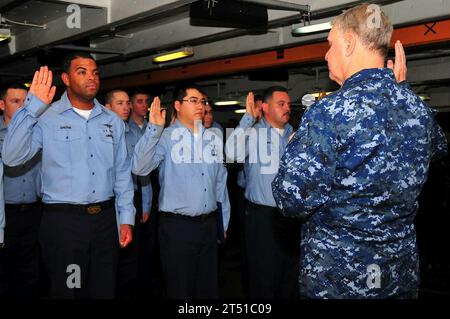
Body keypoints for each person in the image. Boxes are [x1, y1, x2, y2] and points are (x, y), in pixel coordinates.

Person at [272, 3, 448, 299]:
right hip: (397, 275)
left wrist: (293, 151)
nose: (326, 55)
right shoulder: (417, 109)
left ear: (349, 43)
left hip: (340, 278)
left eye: (329, 45)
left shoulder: (328, 112)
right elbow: (439, 148)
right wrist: (402, 92)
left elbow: (291, 199)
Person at [1, 52, 135, 299]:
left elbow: (122, 173)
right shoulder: (45, 117)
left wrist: (126, 216)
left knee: (104, 290)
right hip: (64, 224)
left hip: (105, 221)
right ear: (66, 78)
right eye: (82, 72)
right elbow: (11, 157)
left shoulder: (112, 121)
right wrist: (31, 108)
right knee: (70, 291)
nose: (91, 78)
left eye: (95, 73)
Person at [132, 84, 230, 298]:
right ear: (177, 105)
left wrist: (223, 221)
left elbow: (220, 182)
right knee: (180, 290)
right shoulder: (166, 137)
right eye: (193, 101)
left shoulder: (212, 138)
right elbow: (139, 168)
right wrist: (153, 130)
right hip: (178, 228)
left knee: (208, 289)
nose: (200, 106)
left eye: (202, 102)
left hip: (209, 225)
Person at [225, 86, 300, 299]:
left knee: (289, 277)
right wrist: (247, 120)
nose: (287, 108)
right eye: (281, 104)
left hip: (291, 217)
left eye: (288, 104)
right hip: (262, 217)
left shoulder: (293, 134)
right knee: (263, 279)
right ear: (265, 107)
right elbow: (231, 155)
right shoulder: (253, 133)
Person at [0, 83, 42, 298]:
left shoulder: (36, 133)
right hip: (5, 214)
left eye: (25, 102)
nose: (21, 107)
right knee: (5, 271)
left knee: (31, 270)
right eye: (15, 101)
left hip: (34, 211)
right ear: (1, 104)